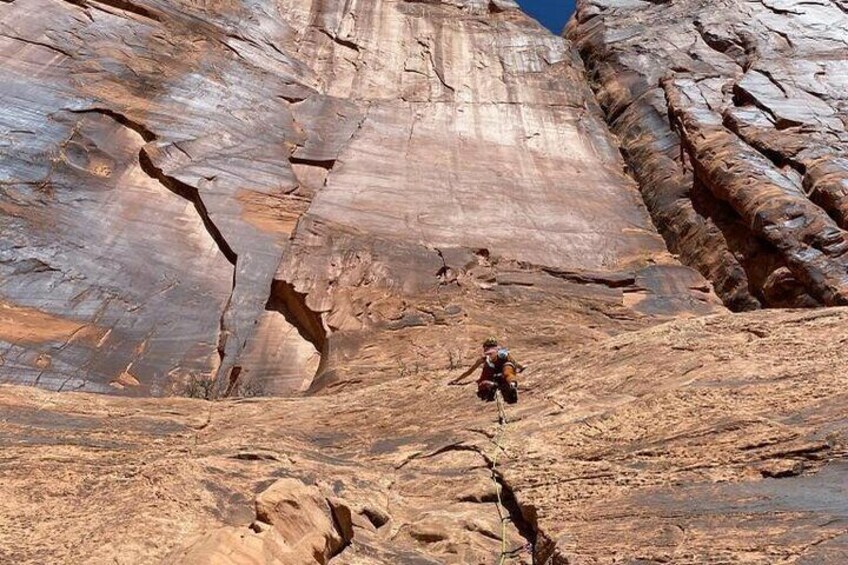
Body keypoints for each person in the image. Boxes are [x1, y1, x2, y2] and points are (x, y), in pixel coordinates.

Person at [450, 337, 523, 404]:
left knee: (483, 379)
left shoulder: (484, 359)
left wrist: (457, 380)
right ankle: (512, 384)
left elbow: (469, 372)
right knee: (508, 372)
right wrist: (521, 368)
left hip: (493, 372)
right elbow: (514, 363)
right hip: (505, 368)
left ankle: (490, 386)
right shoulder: (504, 353)